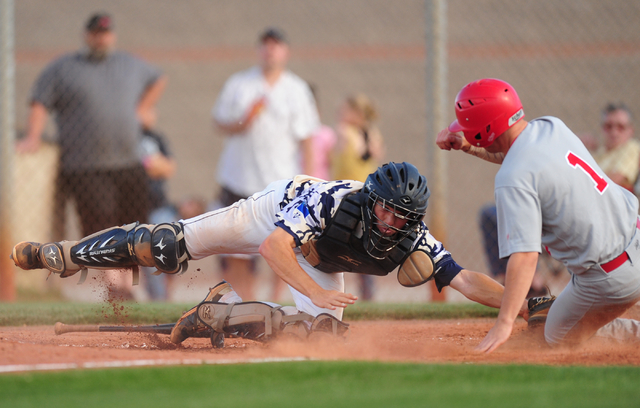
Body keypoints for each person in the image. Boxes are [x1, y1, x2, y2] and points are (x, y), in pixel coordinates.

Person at [11, 162, 528, 346]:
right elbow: (273, 246)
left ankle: (223, 307)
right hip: (270, 215)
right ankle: (64, 254)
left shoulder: (415, 237)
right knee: (167, 245)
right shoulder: (332, 200)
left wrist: (520, 305)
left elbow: (464, 280)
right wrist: (318, 291)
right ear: (372, 200)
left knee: (322, 335)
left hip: (316, 260)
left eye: (404, 217)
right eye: (387, 210)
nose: (393, 222)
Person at [436, 78, 640, 353]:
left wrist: (504, 322)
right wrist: (467, 145)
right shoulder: (550, 126)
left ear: (485, 130)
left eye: (470, 129)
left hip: (610, 278)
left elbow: (525, 256)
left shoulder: (512, 178)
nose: (467, 133)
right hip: (635, 238)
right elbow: (517, 154)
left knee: (555, 336)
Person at [16, 12, 168, 236]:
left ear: (113, 36)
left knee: (136, 231)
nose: (102, 39)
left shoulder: (129, 64)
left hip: (128, 161)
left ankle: (128, 272)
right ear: (86, 36)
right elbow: (39, 101)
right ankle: (105, 272)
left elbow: (159, 78)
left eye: (106, 34)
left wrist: (143, 108)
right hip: (86, 166)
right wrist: (33, 137)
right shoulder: (64, 68)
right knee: (100, 230)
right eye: (97, 34)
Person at [211, 27, 319, 301]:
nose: (270, 50)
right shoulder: (240, 84)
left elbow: (307, 138)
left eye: (276, 45)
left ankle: (276, 302)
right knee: (237, 248)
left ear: (285, 51)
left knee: (283, 244)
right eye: (266, 44)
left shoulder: (296, 89)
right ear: (259, 49)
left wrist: (311, 179)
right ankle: (248, 303)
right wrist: (243, 120)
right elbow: (219, 122)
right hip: (239, 178)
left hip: (279, 181)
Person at [332, 93, 385, 300]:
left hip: (362, 193)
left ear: (358, 114)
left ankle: (367, 293)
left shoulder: (367, 132)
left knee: (363, 241)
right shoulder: (345, 131)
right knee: (342, 240)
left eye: (346, 110)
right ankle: (340, 287)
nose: (341, 113)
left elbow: (374, 152)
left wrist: (366, 130)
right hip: (342, 194)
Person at [139, 111, 177, 301]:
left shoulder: (156, 138)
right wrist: (149, 165)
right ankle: (157, 299)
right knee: (147, 257)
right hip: (134, 209)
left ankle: (166, 298)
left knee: (171, 250)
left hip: (159, 206)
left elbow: (168, 167)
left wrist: (147, 164)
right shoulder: (125, 136)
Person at [593, 103, 640, 192]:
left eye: (621, 127)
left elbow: (611, 181)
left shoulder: (632, 148)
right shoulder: (599, 152)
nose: (614, 132)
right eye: (609, 126)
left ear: (631, 130)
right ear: (602, 128)